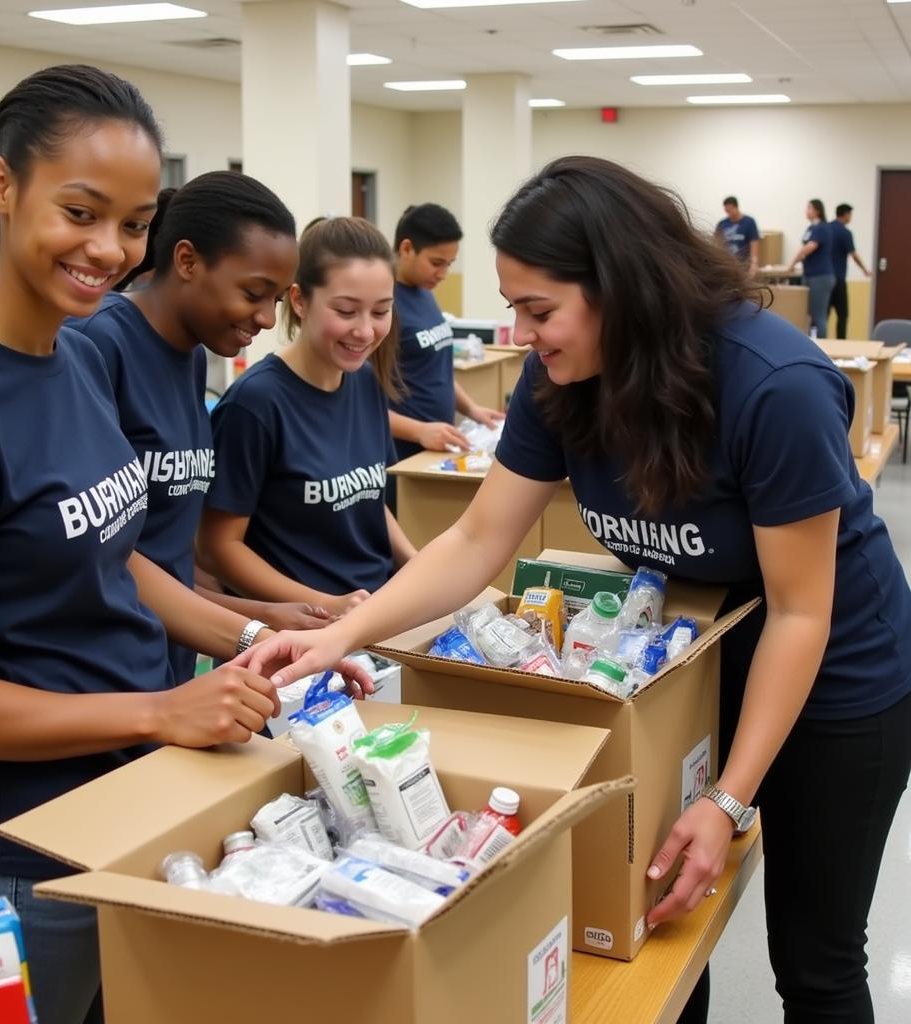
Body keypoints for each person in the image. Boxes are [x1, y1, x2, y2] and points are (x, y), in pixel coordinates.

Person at [238, 156, 911, 1024]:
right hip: (688, 665)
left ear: (621, 290)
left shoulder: (769, 384)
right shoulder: (560, 383)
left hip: (834, 680)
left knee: (814, 962)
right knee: (661, 929)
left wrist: (729, 800)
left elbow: (800, 610)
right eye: (515, 307)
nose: (518, 335)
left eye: (539, 310)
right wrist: (340, 637)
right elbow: (478, 537)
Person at [0, 66, 366, 1024]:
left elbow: (118, 555)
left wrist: (256, 645)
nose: (109, 249)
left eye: (135, 222)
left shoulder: (68, 356)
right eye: (81, 210)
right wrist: (157, 711)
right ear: (2, 185)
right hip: (29, 856)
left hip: (138, 808)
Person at [69, 170, 333, 685]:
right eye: (254, 292)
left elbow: (164, 550)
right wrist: (248, 626)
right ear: (187, 260)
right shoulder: (98, 347)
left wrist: (263, 614)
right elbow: (102, 559)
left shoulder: (192, 356)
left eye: (277, 299)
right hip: (102, 674)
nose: (264, 317)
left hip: (171, 659)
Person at [197, 217, 418, 615]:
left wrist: (416, 563)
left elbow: (366, 499)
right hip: (297, 635)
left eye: (381, 311)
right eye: (347, 311)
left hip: (370, 615)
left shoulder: (364, 381)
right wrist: (324, 604)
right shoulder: (256, 403)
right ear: (299, 300)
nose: (366, 332)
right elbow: (217, 548)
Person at [389, 203, 505, 464]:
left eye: (449, 264)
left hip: (435, 446)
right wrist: (419, 431)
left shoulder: (424, 293)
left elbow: (435, 371)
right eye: (436, 263)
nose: (443, 274)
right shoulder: (384, 304)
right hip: (401, 454)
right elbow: (360, 402)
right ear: (406, 248)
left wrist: (472, 410)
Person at [786, 198, 834, 338]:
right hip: (810, 274)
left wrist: (792, 264)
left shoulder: (822, 227)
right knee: (811, 315)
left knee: (819, 316)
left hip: (820, 276)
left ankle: (823, 347)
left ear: (817, 210)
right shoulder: (811, 228)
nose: (806, 211)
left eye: (809, 208)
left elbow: (809, 248)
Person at [827, 204, 872, 340]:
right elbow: (853, 254)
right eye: (850, 215)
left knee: (823, 316)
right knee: (842, 314)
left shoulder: (826, 228)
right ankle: (841, 343)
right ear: (846, 214)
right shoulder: (845, 233)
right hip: (839, 279)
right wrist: (865, 269)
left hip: (825, 278)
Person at [714, 196, 760, 275]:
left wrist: (754, 264)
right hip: (727, 264)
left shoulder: (749, 222)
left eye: (730, 210)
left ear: (736, 207)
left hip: (744, 264)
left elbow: (754, 243)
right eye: (726, 211)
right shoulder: (722, 224)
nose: (728, 213)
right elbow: (716, 243)